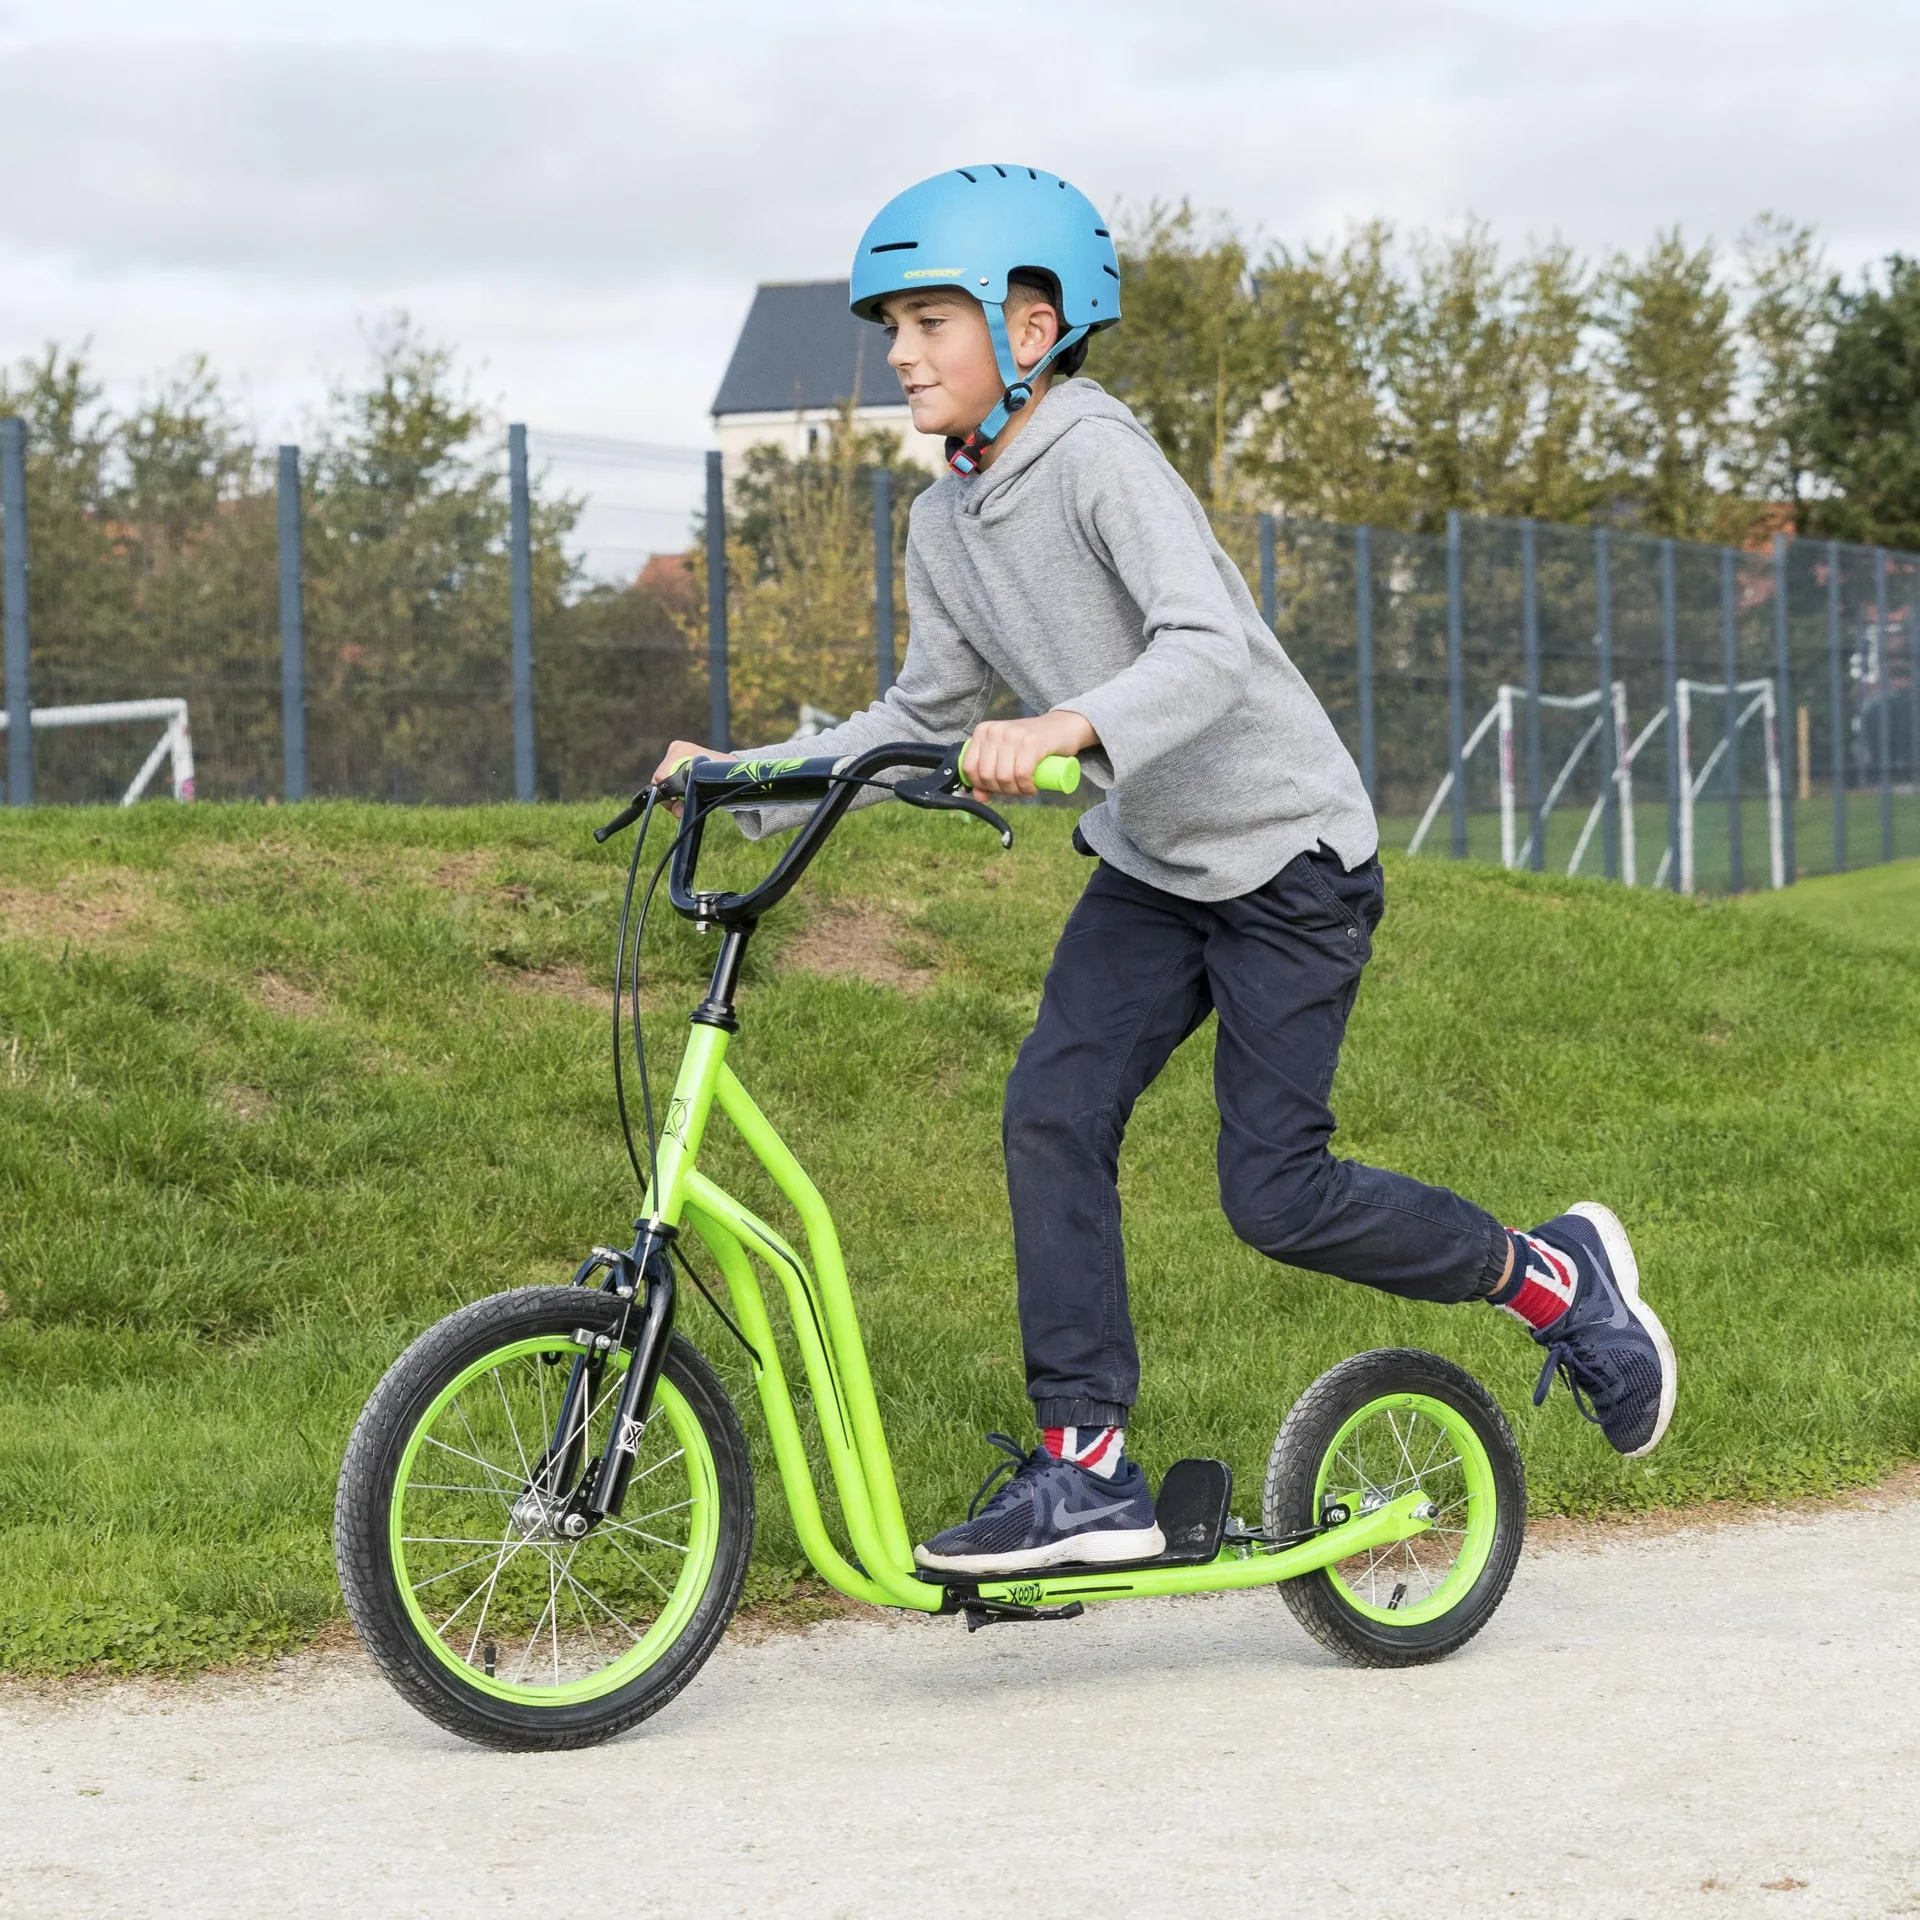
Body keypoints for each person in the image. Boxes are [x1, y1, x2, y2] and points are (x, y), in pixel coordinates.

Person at [654, 164, 1677, 1579]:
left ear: (1029, 332)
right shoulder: (944, 520)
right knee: (1051, 1112)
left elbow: (1201, 647)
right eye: (889, 326)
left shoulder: (1097, 457)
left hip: (1287, 859)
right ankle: (1087, 1470)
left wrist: (1071, 724)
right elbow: (923, 713)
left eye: (928, 323)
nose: (898, 355)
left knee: (1278, 1196)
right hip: (1153, 866)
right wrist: (745, 777)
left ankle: (1553, 1277)